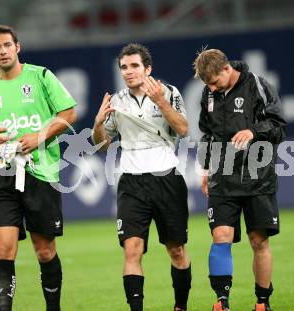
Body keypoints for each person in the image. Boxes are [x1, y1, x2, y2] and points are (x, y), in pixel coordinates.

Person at [0, 25, 77, 311]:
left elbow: (69, 113)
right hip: (1, 172)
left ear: (18, 47)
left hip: (40, 173)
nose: (2, 51)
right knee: (3, 249)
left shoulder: (40, 76)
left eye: (7, 45)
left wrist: (39, 137)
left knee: (44, 250)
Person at [92, 43, 192, 311]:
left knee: (176, 250)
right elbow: (101, 145)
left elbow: (183, 129)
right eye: (124, 67)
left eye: (134, 66)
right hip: (132, 181)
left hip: (166, 178)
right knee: (132, 249)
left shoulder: (169, 93)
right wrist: (98, 123)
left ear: (148, 69)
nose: (128, 71)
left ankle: (180, 306)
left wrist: (160, 101)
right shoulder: (116, 101)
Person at [192, 48, 287, 311]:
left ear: (226, 69)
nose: (211, 87)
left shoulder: (257, 85)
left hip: (258, 177)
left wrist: (253, 131)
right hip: (222, 177)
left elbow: (279, 127)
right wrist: (206, 167)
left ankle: (262, 302)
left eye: (214, 82)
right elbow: (207, 133)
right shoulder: (208, 93)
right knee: (220, 236)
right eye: (207, 84)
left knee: (259, 241)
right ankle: (222, 301)